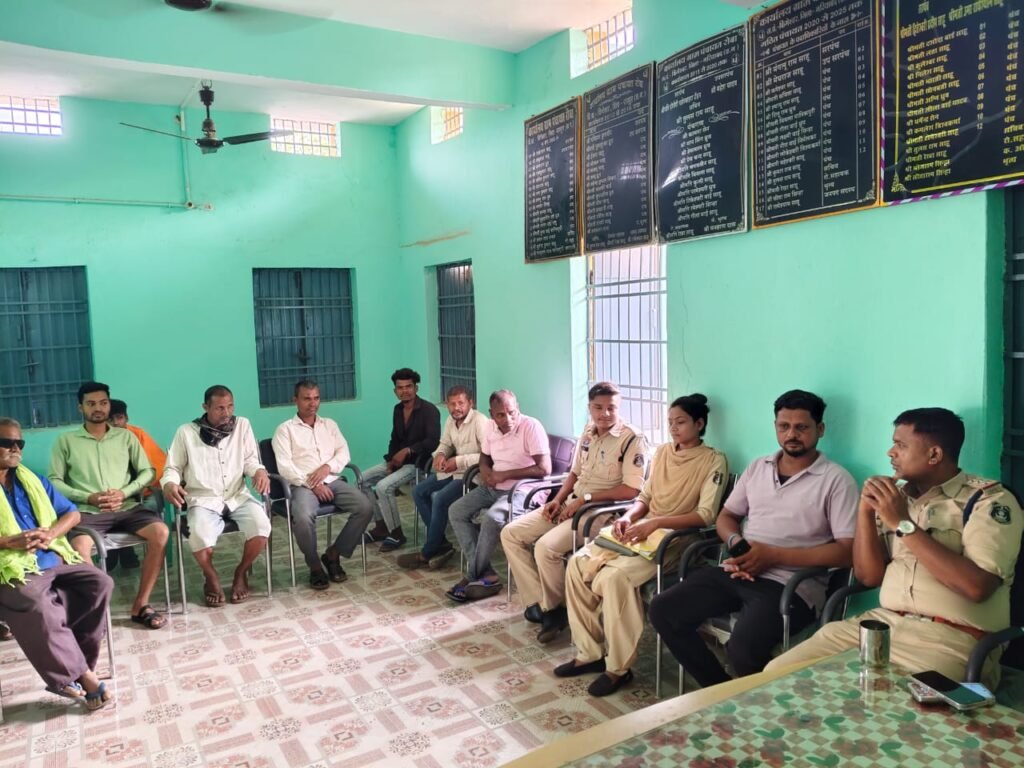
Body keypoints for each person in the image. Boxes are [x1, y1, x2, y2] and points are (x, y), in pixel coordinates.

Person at [768, 408, 1024, 691]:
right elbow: (868, 577)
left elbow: (977, 587)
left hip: (951, 639)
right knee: (777, 674)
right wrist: (865, 512)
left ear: (934, 455)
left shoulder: (988, 501)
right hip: (882, 624)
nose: (891, 452)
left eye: (901, 445)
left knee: (888, 703)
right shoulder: (896, 497)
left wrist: (902, 523)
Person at [649, 389, 857, 687]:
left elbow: (846, 552)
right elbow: (727, 517)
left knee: (743, 650)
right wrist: (737, 545)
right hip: (738, 569)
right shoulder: (759, 468)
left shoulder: (836, 480)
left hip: (791, 587)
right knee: (663, 610)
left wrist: (773, 556)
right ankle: (720, 691)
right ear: (775, 427)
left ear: (820, 429)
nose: (792, 434)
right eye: (784, 426)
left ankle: (755, 703)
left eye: (802, 427)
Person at [559, 394, 729, 696]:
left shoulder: (713, 460)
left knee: (613, 577)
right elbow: (645, 497)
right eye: (670, 422)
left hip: (675, 540)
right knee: (577, 563)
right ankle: (589, 653)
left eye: (681, 422)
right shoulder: (662, 452)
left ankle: (618, 669)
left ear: (699, 424)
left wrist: (655, 524)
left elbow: (705, 515)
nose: (673, 428)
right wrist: (628, 517)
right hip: (643, 529)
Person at [503, 381, 647, 645]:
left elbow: (631, 490)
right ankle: (543, 604)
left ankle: (555, 611)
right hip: (571, 503)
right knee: (511, 533)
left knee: (546, 548)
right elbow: (574, 473)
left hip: (599, 513)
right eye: (598, 407)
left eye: (611, 408)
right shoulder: (588, 432)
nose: (605, 414)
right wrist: (557, 500)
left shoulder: (632, 439)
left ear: (620, 407)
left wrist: (584, 500)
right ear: (589, 407)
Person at [0, 417, 114, 711]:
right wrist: (9, 542)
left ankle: (75, 670)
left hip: (51, 556)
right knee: (37, 602)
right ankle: (84, 676)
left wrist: (51, 534)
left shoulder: (32, 479)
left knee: (99, 583)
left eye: (19, 443)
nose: (15, 449)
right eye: (6, 443)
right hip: (11, 567)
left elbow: (72, 514)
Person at [48, 381, 169, 630]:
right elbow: (54, 481)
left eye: (103, 403)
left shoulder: (125, 437)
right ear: (80, 407)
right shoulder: (66, 441)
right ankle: (98, 611)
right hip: (89, 512)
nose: (98, 408)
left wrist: (124, 492)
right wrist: (87, 497)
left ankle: (141, 605)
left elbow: (148, 471)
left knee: (161, 532)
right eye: (91, 403)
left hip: (128, 507)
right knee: (79, 547)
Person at [162, 385, 272, 607]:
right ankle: (211, 576)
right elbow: (173, 467)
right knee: (199, 534)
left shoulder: (242, 425)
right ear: (205, 407)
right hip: (203, 500)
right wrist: (170, 484)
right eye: (220, 408)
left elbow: (250, 460)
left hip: (236, 496)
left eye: (230, 406)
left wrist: (259, 471)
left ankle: (241, 572)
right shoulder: (186, 432)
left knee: (262, 526)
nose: (227, 413)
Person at [446, 390, 551, 602]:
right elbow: (485, 458)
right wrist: (486, 472)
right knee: (456, 511)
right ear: (492, 414)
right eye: (501, 415)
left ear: (517, 408)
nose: (508, 419)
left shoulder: (531, 426)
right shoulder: (490, 427)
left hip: (524, 490)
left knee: (492, 519)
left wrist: (505, 474)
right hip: (494, 486)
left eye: (512, 412)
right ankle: (486, 573)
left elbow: (544, 469)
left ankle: (472, 576)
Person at [271, 379, 373, 589]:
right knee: (302, 516)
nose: (313, 403)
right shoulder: (285, 430)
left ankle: (333, 554)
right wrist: (313, 484)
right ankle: (315, 565)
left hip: (332, 480)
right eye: (306, 398)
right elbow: (285, 467)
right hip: (301, 485)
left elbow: (343, 452)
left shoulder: (330, 425)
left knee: (365, 507)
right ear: (295, 400)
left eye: (316, 398)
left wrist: (327, 467)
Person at [398, 385, 489, 571]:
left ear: (470, 403)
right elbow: (445, 444)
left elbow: (488, 455)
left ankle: (428, 551)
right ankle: (440, 543)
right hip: (454, 472)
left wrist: (458, 461)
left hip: (473, 476)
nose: (456, 408)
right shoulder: (450, 420)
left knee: (440, 498)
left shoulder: (480, 422)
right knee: (419, 491)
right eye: (452, 404)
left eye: (461, 403)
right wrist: (439, 455)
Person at [362, 368, 441, 552]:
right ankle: (381, 526)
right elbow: (394, 439)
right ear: (395, 391)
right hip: (398, 462)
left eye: (408, 386)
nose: (405, 391)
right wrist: (391, 460)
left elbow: (432, 441)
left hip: (418, 463)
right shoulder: (397, 410)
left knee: (383, 487)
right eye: (400, 387)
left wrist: (408, 450)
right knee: (361, 480)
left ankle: (396, 534)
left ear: (416, 388)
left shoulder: (429, 410)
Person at [107, 397, 167, 570]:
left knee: (145, 510)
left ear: (126, 418)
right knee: (109, 510)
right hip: (114, 495)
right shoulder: (100, 442)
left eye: (119, 418)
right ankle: (121, 552)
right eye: (110, 419)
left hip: (145, 492)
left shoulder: (138, 434)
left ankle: (122, 551)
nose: (115, 423)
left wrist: (137, 489)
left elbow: (158, 467)